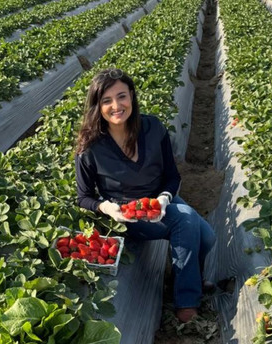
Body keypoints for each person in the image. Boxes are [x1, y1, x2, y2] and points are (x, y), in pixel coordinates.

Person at [74, 68, 216, 323]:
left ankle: (189, 276)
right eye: (106, 101)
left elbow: (172, 176)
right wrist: (107, 208)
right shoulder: (90, 147)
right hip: (126, 214)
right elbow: (83, 196)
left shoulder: (152, 128)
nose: (116, 106)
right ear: (97, 106)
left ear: (131, 96)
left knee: (207, 237)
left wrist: (163, 199)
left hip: (158, 201)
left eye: (122, 96)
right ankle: (186, 301)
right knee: (185, 219)